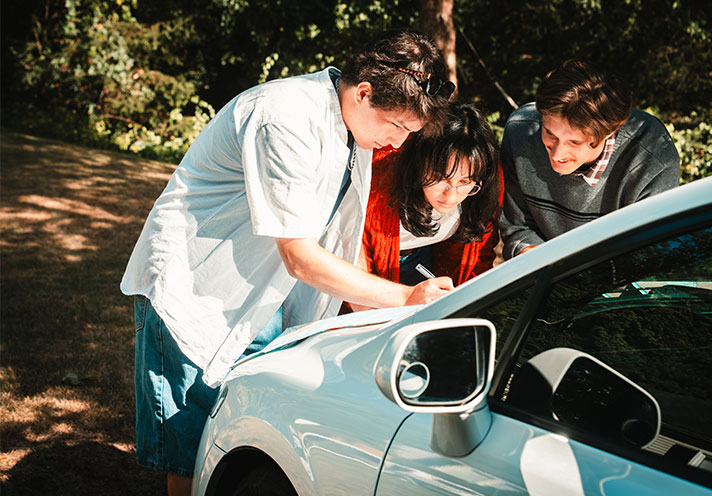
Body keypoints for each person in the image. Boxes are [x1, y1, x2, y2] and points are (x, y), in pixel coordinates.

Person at [120, 30, 455, 495]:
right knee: (191, 443)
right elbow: (299, 255)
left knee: (235, 430)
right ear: (364, 93)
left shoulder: (354, 126)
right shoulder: (285, 117)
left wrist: (390, 319)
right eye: (397, 127)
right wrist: (406, 296)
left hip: (260, 292)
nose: (397, 143)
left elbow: (342, 237)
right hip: (196, 282)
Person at [499, 58, 680, 259]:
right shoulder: (520, 133)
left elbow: (649, 252)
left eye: (574, 142)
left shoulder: (652, 159)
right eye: (550, 133)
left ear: (608, 132)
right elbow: (516, 228)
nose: (557, 154)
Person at [347, 103, 502, 312]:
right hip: (369, 272)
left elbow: (479, 257)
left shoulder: (483, 190)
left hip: (427, 261)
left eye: (465, 183)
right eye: (440, 180)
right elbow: (353, 267)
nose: (451, 195)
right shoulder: (379, 182)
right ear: (420, 166)